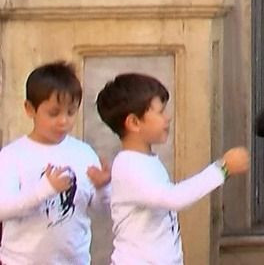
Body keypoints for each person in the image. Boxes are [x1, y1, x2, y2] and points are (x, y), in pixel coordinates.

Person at [95, 73, 249, 265]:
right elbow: (172, 198)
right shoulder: (129, 164)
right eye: (159, 112)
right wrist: (222, 169)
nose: (167, 118)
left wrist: (103, 188)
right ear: (134, 122)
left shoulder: (143, 160)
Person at [0, 61, 111, 265]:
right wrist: (45, 190)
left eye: (71, 112)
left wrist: (103, 188)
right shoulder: (12, 156)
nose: (63, 121)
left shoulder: (83, 153)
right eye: (53, 113)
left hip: (75, 260)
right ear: (30, 109)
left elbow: (101, 209)